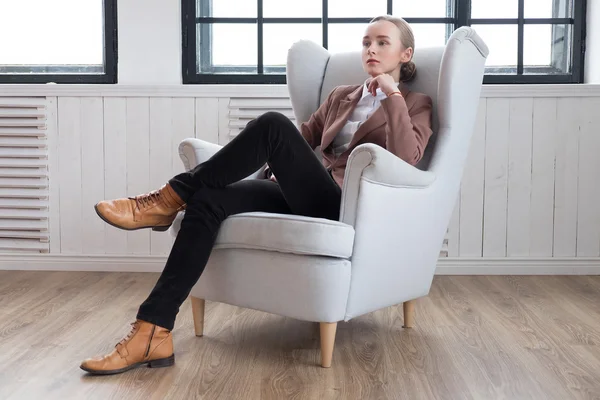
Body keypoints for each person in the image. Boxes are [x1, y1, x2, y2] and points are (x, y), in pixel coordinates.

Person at [80, 14, 433, 375]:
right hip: (297, 192)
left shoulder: (416, 103)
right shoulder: (341, 96)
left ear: (405, 54)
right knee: (208, 201)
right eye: (366, 42)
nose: (371, 49)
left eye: (382, 43)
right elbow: (304, 138)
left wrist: (391, 94)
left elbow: (406, 157)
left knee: (271, 124)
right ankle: (153, 330)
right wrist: (274, 170)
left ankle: (168, 198)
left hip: (342, 204)